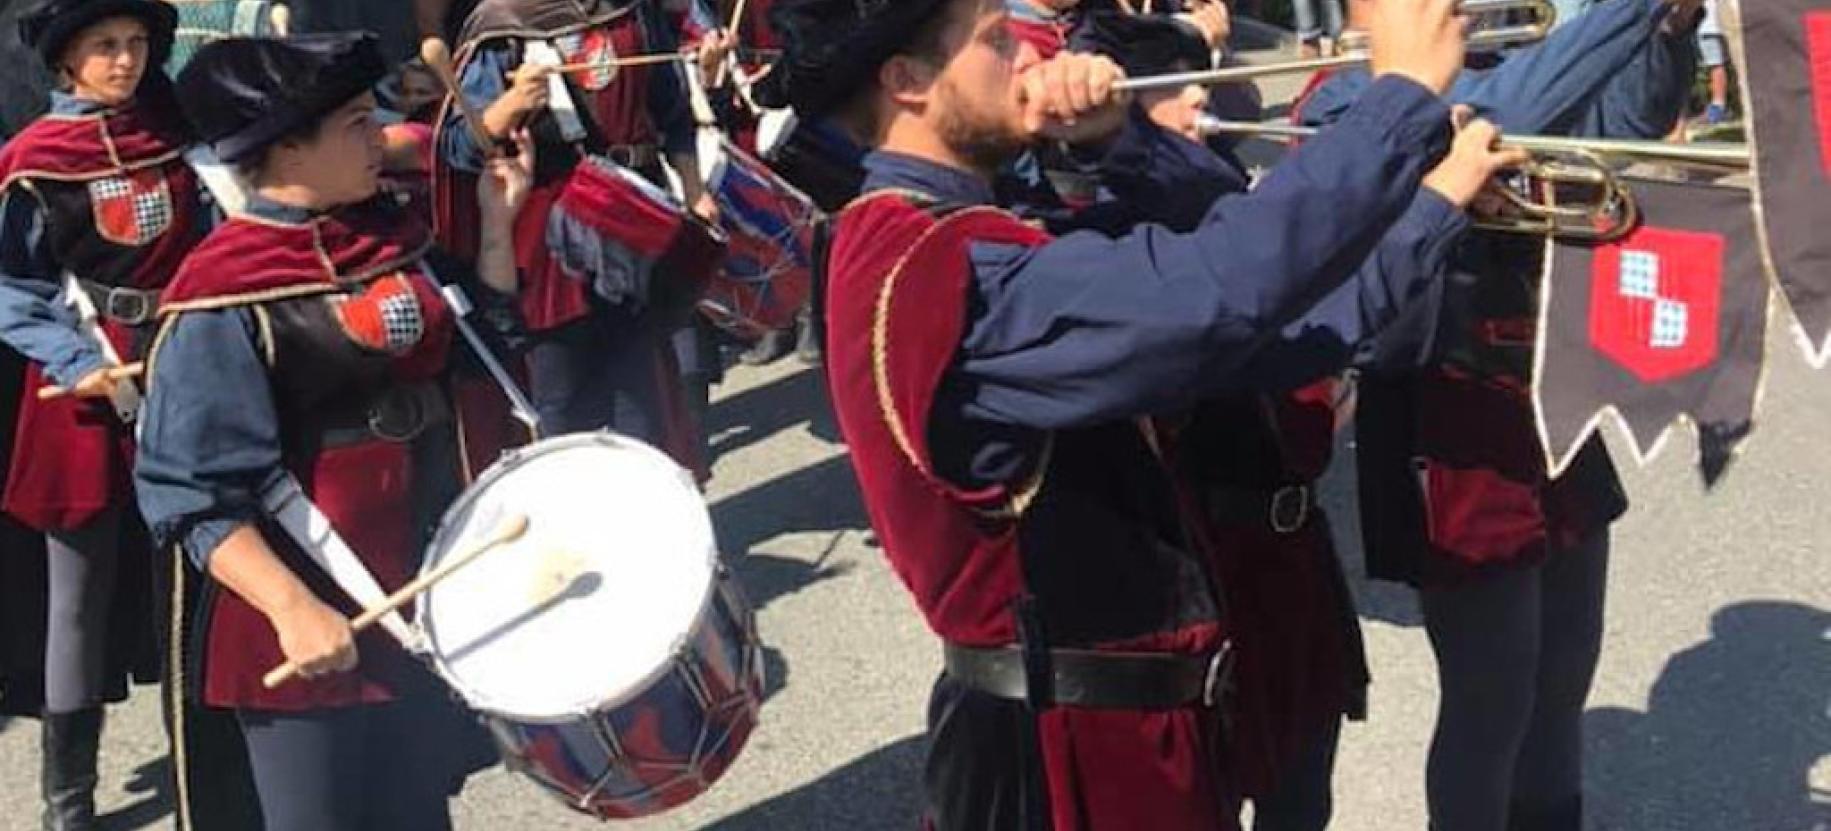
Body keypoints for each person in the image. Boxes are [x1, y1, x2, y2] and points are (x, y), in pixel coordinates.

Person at [768, 0, 1520, 825]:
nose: (1026, 56)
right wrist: (1399, 94)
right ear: (906, 82)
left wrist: (1117, 137)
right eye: (993, 40)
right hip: (1067, 763)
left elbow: (1259, 304)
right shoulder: (959, 272)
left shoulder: (952, 235)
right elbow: (1222, 286)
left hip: (1126, 734)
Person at [1296, 1, 1703, 828]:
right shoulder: (1341, 101)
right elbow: (1496, 117)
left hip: (1551, 393)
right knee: (1494, 693)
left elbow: (1632, 122)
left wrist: (1669, 33)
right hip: (1443, 411)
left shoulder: (1520, 65)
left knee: (1563, 671)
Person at [135, 31, 524, 831]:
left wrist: (493, 228)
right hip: (301, 623)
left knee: (418, 815)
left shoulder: (387, 237)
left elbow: (481, 359)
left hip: (413, 591)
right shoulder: (221, 296)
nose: (381, 135)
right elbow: (187, 490)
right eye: (355, 123)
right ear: (284, 147)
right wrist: (289, 607)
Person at [0, 2, 202, 827]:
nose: (126, 61)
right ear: (65, 65)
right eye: (105, 48)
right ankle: (67, 795)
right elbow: (14, 286)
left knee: (190, 576)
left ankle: (202, 762)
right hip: (82, 383)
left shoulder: (178, 138)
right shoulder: (33, 161)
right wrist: (79, 363)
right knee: (77, 590)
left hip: (183, 365)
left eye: (137, 45)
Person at [435, 0, 717, 473]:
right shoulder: (502, 23)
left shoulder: (630, 8)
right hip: (551, 238)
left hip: (636, 221)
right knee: (562, 408)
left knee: (645, 399)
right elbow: (458, 147)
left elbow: (671, 108)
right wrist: (509, 106)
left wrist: (693, 187)